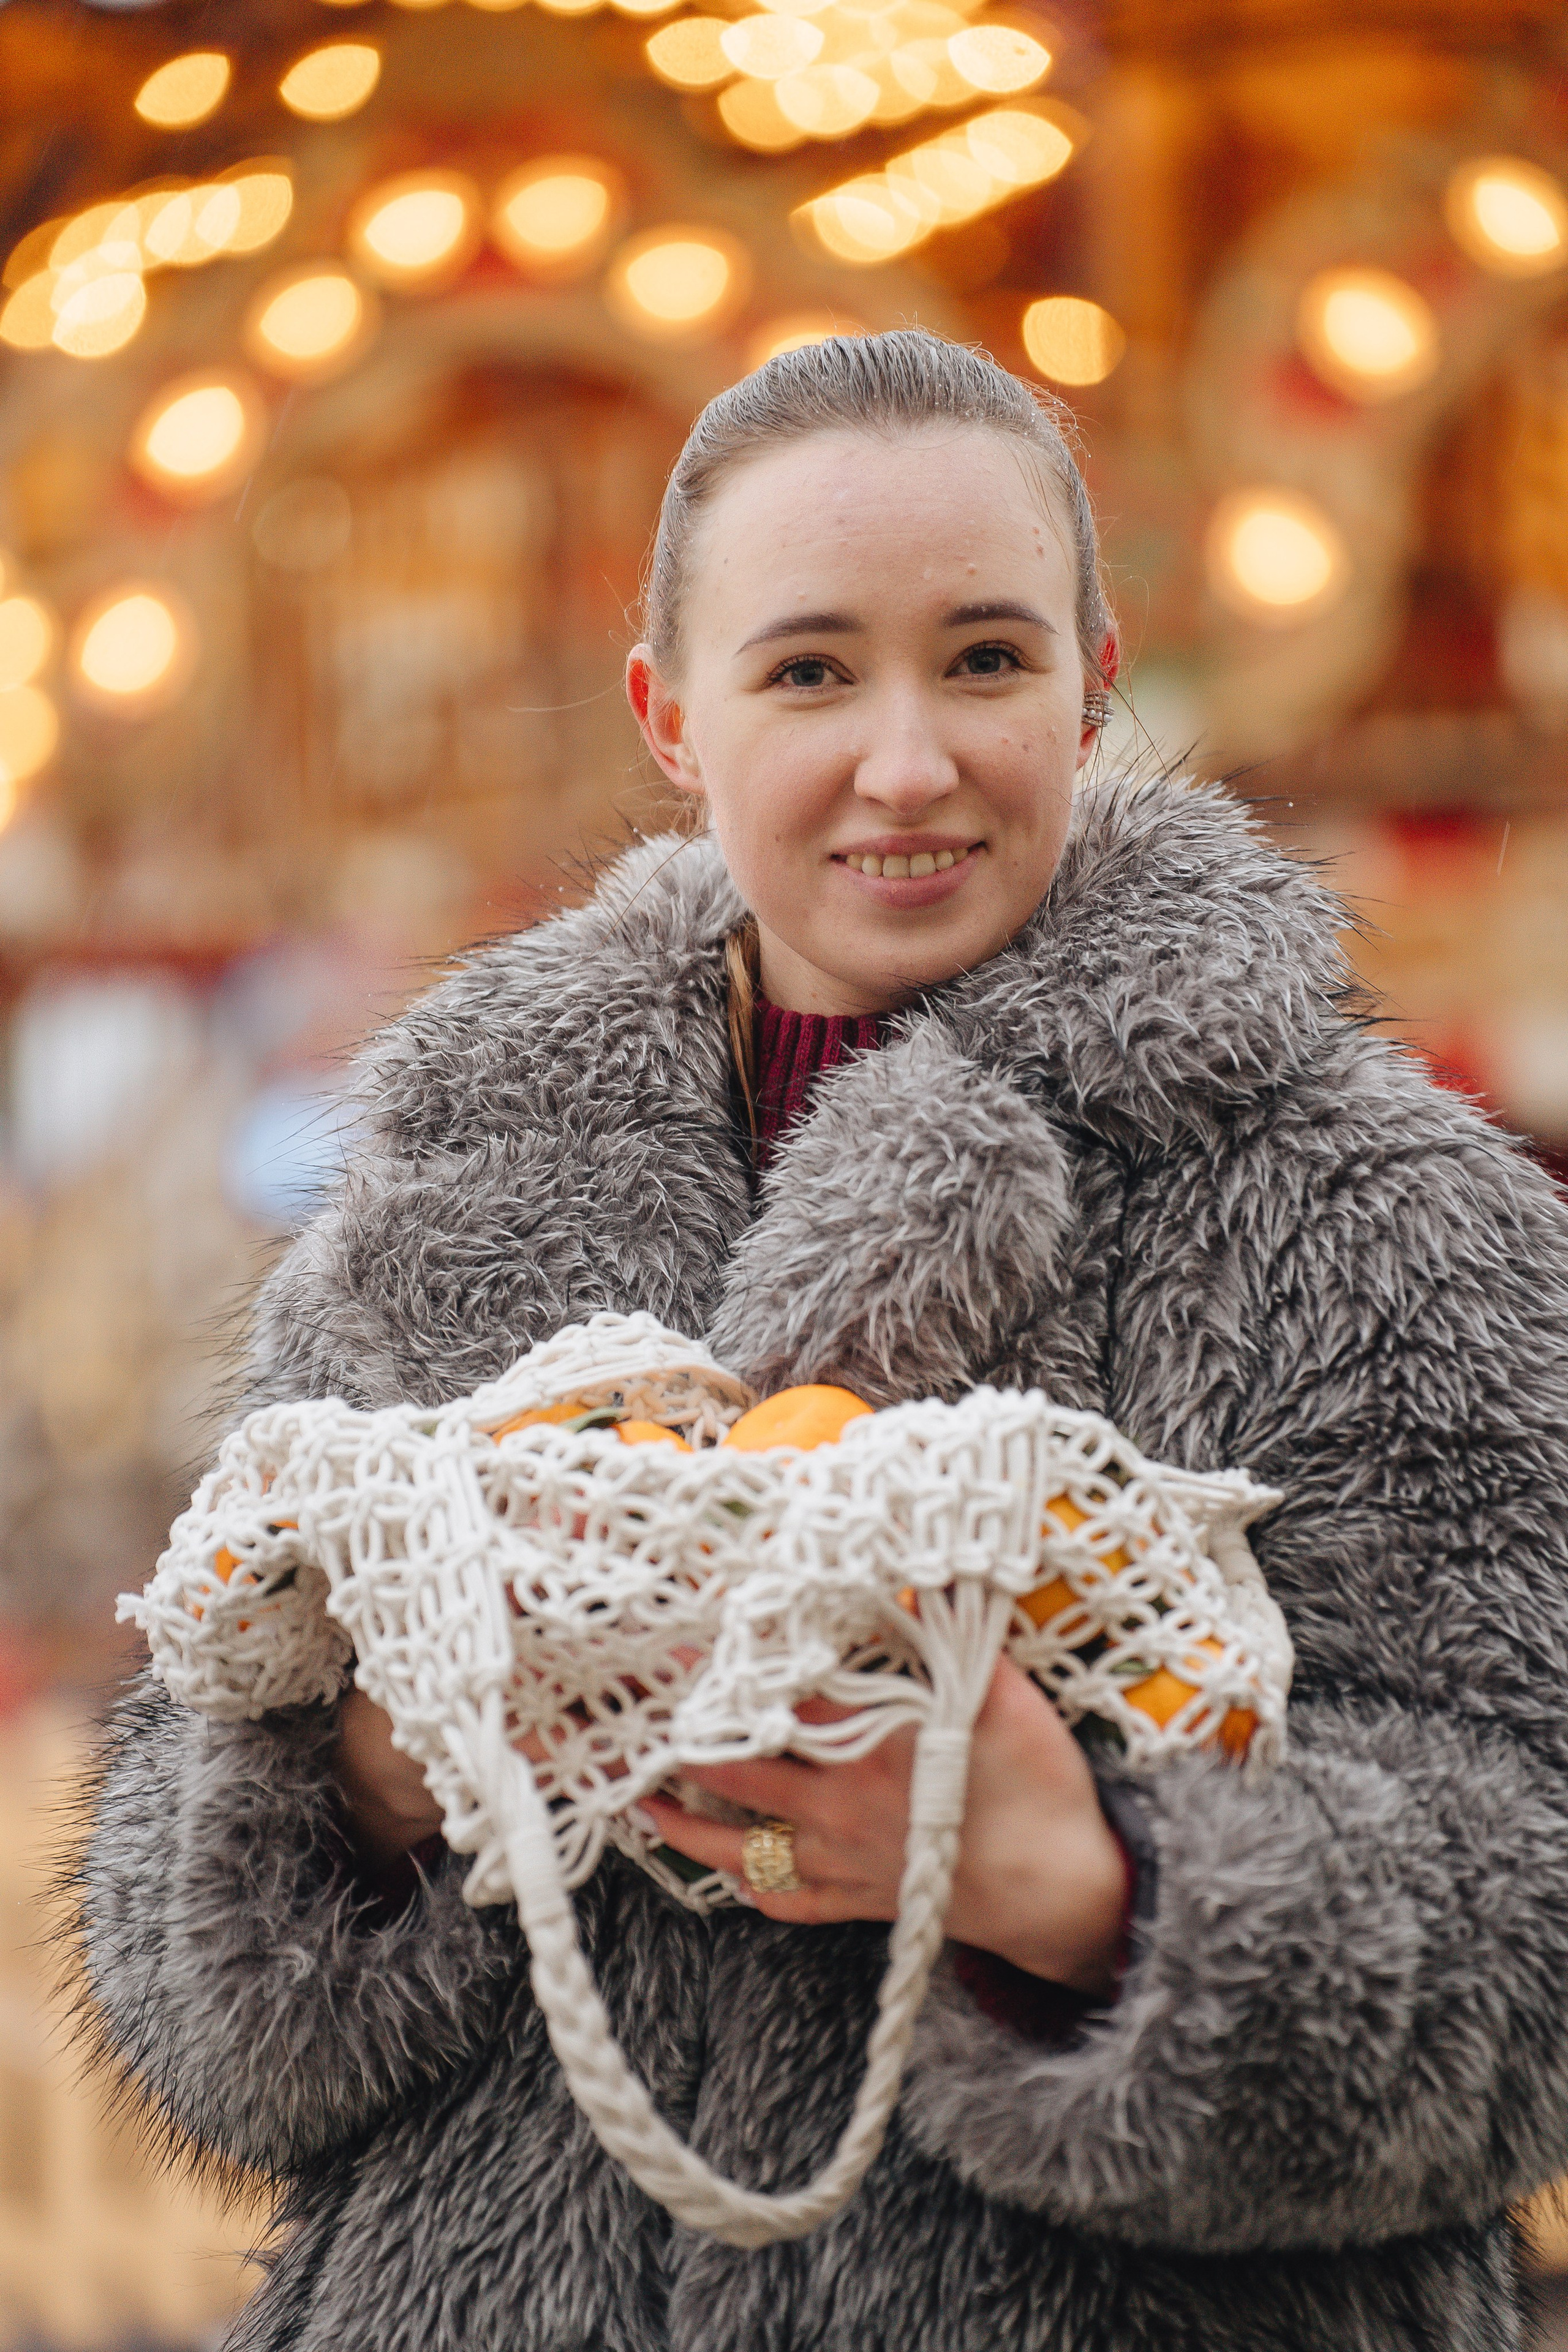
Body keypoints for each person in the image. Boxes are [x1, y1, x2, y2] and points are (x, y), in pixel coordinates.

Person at [80, 330, 1568, 2352]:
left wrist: (1082, 1881)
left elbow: (1536, 1936)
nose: (906, 761)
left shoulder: (1379, 1210)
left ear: (1093, 683)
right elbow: (195, 1974)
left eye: (983, 659)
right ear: (670, 716)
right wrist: (378, 1772)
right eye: (807, 671)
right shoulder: (435, 1215)